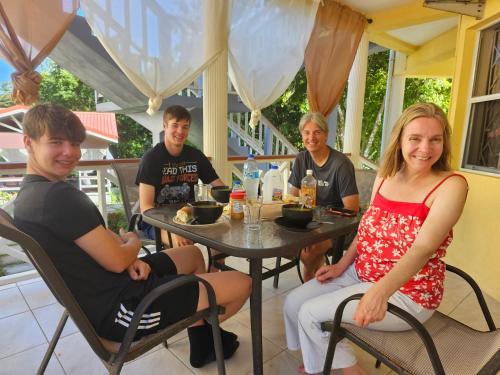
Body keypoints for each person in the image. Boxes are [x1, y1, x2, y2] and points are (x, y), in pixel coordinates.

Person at [13, 104, 251, 369]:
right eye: (56, 142)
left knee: (194, 254)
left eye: (75, 143)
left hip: (119, 281)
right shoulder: (59, 197)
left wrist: (126, 257)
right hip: (125, 310)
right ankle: (208, 330)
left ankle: (202, 342)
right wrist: (132, 245)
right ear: (28, 142)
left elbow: (96, 244)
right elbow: (116, 259)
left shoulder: (31, 197)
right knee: (242, 283)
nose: (70, 152)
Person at [283, 103, 468, 375]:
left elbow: (423, 247)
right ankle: (321, 356)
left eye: (435, 139)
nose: (425, 148)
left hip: (407, 292)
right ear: (400, 139)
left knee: (310, 313)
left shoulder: (451, 185)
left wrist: (379, 292)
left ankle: (349, 370)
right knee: (293, 304)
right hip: (360, 273)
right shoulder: (387, 175)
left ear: (444, 143)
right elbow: (367, 229)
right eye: (415, 138)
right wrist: (342, 264)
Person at [136, 105, 225, 248]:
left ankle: (212, 269)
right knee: (183, 244)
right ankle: (194, 269)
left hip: (190, 218)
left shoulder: (196, 156)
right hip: (157, 222)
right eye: (175, 125)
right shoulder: (151, 159)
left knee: (220, 242)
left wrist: (236, 199)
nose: (180, 131)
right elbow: (146, 207)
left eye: (185, 127)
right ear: (165, 126)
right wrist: (172, 230)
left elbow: (220, 187)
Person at [289, 112, 359, 281]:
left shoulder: (340, 164)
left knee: (308, 251)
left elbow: (352, 208)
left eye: (317, 132)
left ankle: (310, 281)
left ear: (326, 135)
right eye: (306, 132)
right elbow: (292, 197)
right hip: (309, 222)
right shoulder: (301, 159)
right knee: (286, 241)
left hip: (339, 225)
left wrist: (321, 223)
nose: (311, 137)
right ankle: (318, 268)